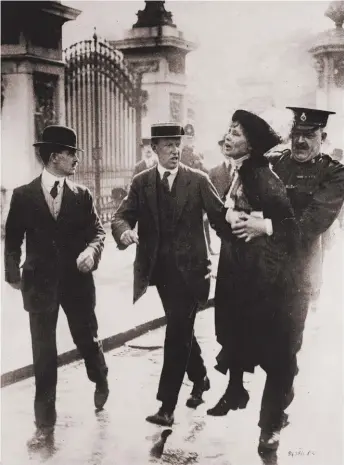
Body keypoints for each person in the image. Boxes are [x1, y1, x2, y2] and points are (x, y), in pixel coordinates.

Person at [111, 123, 229, 427]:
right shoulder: (142, 183)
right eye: (168, 145)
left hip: (192, 274)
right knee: (182, 329)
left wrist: (243, 249)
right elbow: (122, 216)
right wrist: (124, 233)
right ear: (155, 149)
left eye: (178, 144)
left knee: (176, 332)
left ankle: (166, 406)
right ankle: (200, 377)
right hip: (160, 274)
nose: (175, 150)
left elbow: (221, 220)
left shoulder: (198, 181)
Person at [4, 125, 109, 446]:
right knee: (43, 353)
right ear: (54, 157)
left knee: (86, 340)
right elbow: (12, 240)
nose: (76, 160)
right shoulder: (23, 196)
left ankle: (100, 376)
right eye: (71, 154)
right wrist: (13, 276)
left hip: (77, 284)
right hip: (39, 286)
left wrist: (92, 252)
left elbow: (98, 232)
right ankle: (44, 424)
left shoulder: (83, 195)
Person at [206, 110, 300, 452]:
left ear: (252, 144)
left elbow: (290, 228)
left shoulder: (262, 176)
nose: (228, 137)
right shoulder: (239, 172)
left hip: (267, 282)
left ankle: (270, 427)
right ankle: (236, 391)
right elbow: (227, 217)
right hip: (240, 275)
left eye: (236, 132)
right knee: (237, 338)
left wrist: (264, 227)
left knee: (276, 356)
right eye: (228, 130)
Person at [268, 107, 344, 311]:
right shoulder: (275, 163)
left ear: (323, 137)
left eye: (309, 135)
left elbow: (311, 225)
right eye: (296, 134)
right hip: (263, 271)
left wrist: (265, 227)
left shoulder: (333, 173)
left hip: (300, 274)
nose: (300, 141)